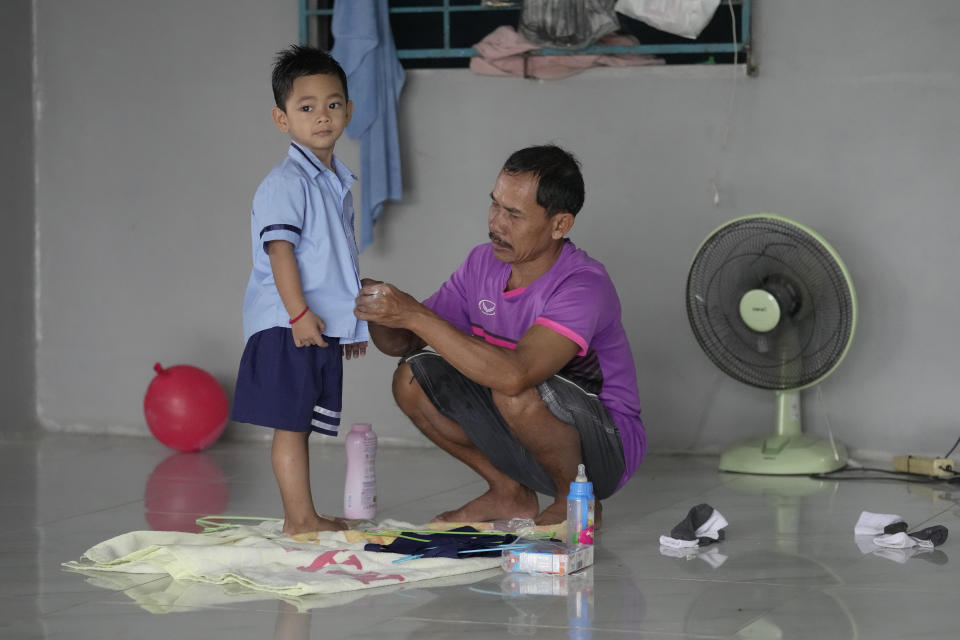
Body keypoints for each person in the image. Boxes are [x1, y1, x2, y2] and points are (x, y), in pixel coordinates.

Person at [355, 145, 645, 525]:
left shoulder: (583, 284)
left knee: (513, 387)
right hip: (526, 418)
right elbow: (402, 342)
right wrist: (377, 304)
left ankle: (573, 500)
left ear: (560, 225)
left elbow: (516, 374)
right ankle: (509, 494)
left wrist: (412, 312)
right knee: (412, 378)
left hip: (607, 446)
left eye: (514, 214)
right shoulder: (482, 263)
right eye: (494, 205)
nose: (496, 224)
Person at [231, 45, 368, 536]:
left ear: (349, 111)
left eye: (333, 104)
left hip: (312, 323)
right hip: (288, 323)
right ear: (281, 119)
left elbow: (334, 262)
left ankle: (303, 515)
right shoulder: (285, 182)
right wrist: (297, 314)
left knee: (300, 423)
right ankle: (299, 520)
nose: (322, 116)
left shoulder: (334, 182)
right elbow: (280, 252)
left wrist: (351, 324)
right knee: (291, 425)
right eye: (306, 107)